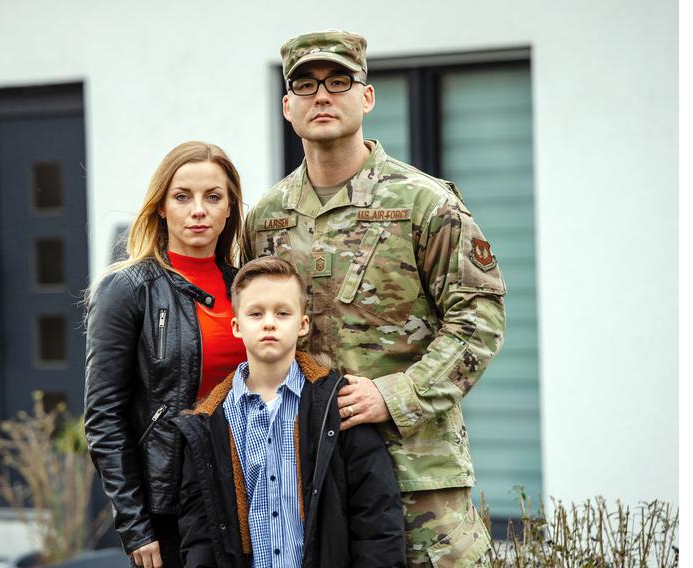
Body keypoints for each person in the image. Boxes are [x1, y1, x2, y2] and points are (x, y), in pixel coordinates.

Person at [242, 30, 507, 566]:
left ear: (366, 96)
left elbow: (478, 318)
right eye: (306, 84)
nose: (322, 96)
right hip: (306, 477)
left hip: (417, 477)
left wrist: (398, 394)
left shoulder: (423, 203)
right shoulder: (265, 219)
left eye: (339, 81)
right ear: (287, 105)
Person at [174, 257, 407, 568]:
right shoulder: (209, 423)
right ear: (236, 326)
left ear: (302, 324)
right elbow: (199, 536)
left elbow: (377, 518)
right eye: (256, 314)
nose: (269, 322)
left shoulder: (338, 405)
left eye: (282, 313)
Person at [85, 141, 247, 568]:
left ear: (229, 208)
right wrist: (135, 526)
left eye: (213, 197)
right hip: (169, 505)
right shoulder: (127, 289)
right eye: (182, 197)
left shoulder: (245, 288)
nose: (199, 210)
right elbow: (104, 417)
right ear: (161, 206)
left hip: (249, 492)